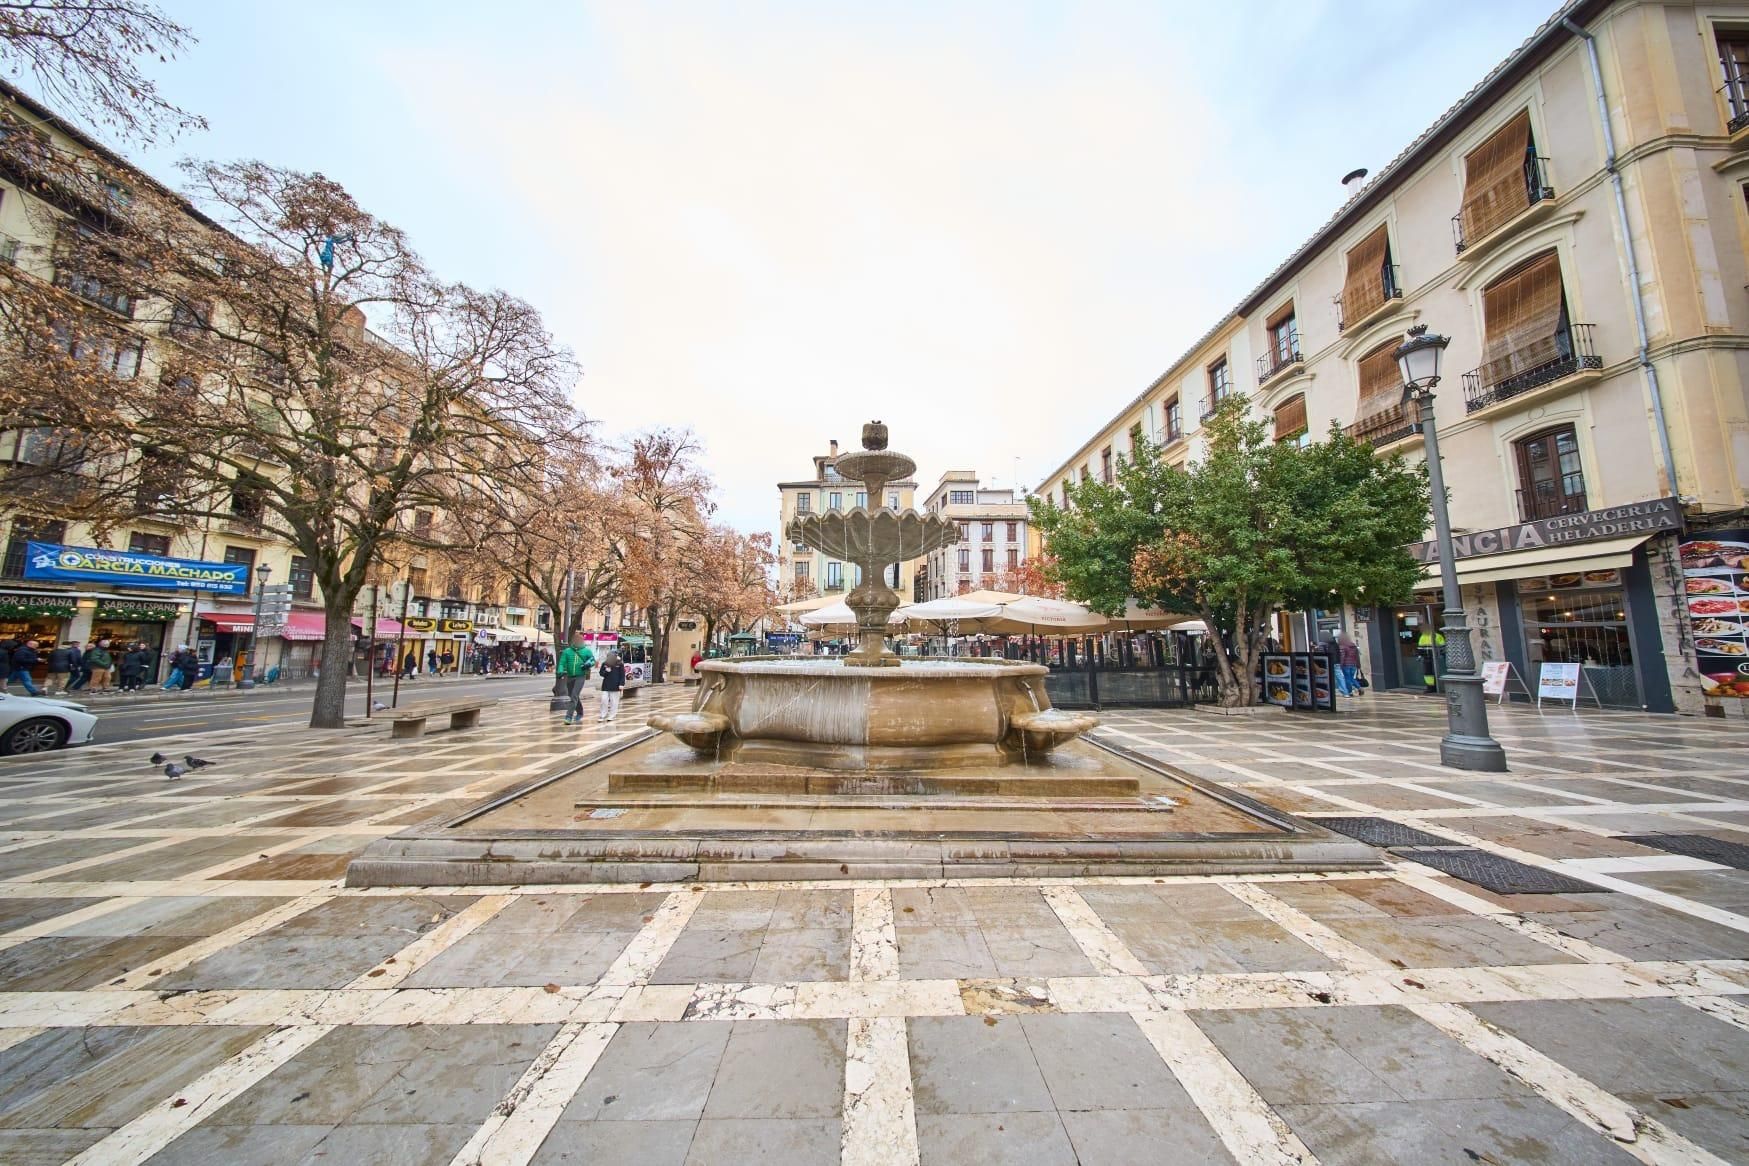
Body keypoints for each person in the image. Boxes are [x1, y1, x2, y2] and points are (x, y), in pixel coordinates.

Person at [555, 633, 596, 726]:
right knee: (572, 695)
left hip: (580, 676)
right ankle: (580, 712)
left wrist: (588, 664)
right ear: (574, 641)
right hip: (570, 676)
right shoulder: (567, 651)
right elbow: (562, 662)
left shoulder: (587, 651)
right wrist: (560, 671)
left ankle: (568, 717)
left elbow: (593, 660)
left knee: (574, 695)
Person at [597, 650, 627, 722]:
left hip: (616, 686)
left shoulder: (620, 664)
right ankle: (602, 715)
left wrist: (621, 684)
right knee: (604, 700)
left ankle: (612, 715)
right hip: (606, 685)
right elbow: (601, 673)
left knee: (614, 702)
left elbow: (622, 675)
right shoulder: (605, 663)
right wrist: (606, 671)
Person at [1336, 633, 1361, 697]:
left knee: (1347, 679)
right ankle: (1359, 687)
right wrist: (1358, 665)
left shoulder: (1343, 646)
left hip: (1346, 665)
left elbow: (1342, 657)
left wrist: (1341, 665)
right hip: (1354, 665)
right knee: (1351, 678)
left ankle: (1349, 692)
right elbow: (1357, 656)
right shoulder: (1354, 646)